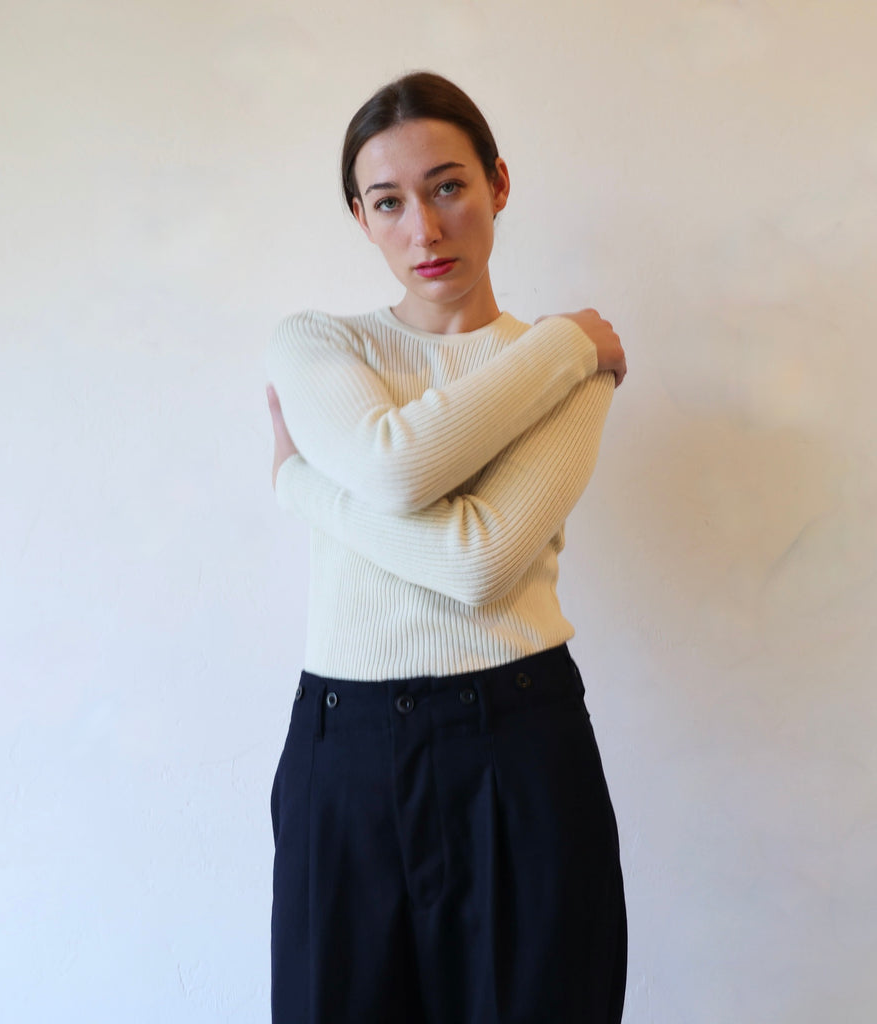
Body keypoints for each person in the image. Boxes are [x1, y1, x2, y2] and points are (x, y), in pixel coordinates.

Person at [265, 71, 628, 1024]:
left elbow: (477, 562)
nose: (424, 229)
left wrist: (299, 482)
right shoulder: (315, 346)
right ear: (361, 217)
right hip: (344, 754)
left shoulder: (574, 375)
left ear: (498, 184)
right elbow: (398, 468)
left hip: (521, 739)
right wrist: (565, 341)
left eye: (449, 186)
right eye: (388, 202)